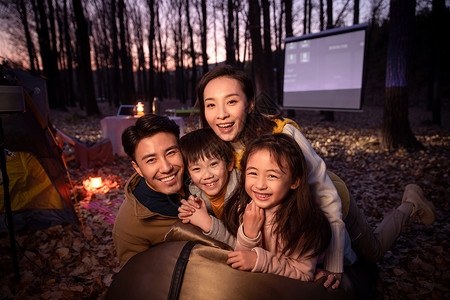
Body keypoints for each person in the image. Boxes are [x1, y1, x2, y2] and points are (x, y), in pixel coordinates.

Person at [194, 64, 436, 288]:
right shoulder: (216, 145)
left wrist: (333, 262)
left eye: (232, 101)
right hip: (289, 219)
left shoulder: (282, 132)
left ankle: (410, 205)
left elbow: (324, 193)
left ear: (250, 103)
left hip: (331, 203)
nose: (221, 114)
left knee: (372, 253)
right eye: (211, 104)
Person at [225, 133, 333, 280]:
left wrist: (260, 261)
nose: (260, 185)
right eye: (253, 173)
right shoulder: (245, 209)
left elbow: (303, 274)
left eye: (272, 176)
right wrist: (249, 235)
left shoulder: (302, 223)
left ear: (294, 181)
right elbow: (242, 261)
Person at [112, 114, 186, 268]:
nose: (166, 168)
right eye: (151, 160)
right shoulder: (129, 226)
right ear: (137, 168)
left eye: (171, 153)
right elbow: (138, 281)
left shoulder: (204, 177)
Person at [178, 128, 238, 237]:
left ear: (229, 164)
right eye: (196, 169)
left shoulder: (245, 194)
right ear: (189, 174)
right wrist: (191, 211)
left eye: (213, 164)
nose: (207, 175)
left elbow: (242, 246)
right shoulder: (194, 194)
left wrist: (207, 222)